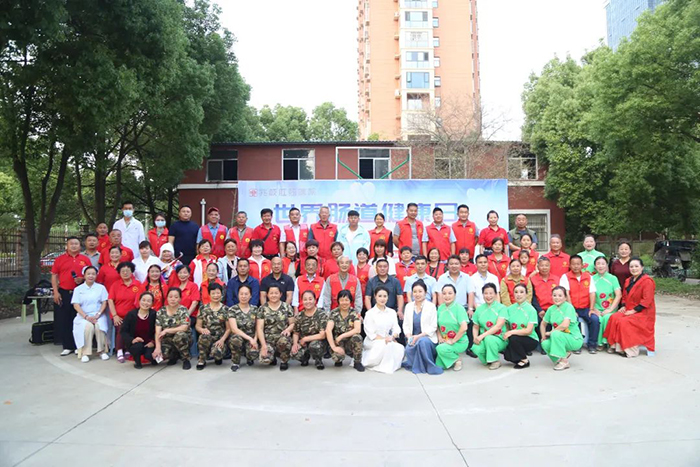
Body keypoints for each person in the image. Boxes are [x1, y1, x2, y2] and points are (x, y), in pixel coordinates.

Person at [604, 258, 656, 358]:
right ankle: (615, 346)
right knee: (614, 317)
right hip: (629, 308)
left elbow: (647, 300)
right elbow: (624, 296)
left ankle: (629, 350)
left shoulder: (647, 281)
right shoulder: (628, 280)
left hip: (643, 312)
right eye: (631, 266)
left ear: (642, 267)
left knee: (624, 322)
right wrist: (623, 306)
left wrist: (633, 311)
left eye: (636, 266)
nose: (634, 269)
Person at [51, 237, 91, 355]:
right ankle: (68, 346)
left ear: (80, 246)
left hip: (81, 293)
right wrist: (56, 292)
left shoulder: (85, 259)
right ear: (67, 246)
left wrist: (82, 279)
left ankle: (79, 345)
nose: (74, 246)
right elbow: (54, 275)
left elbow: (90, 274)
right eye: (71, 244)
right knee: (65, 319)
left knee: (80, 319)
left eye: (76, 243)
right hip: (65, 292)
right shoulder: (60, 259)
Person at [71, 266, 110, 362]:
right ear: (84, 275)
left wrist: (98, 314)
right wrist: (86, 316)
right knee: (88, 327)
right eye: (88, 274)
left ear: (96, 275)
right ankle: (85, 352)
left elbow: (104, 302)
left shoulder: (101, 288)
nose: (91, 276)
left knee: (99, 327)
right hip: (83, 316)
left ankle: (101, 351)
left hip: (98, 315)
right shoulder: (78, 289)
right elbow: (76, 305)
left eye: (93, 274)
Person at [402, 281, 442, 375]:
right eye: (415, 291)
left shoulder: (431, 306)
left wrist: (419, 336)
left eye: (420, 291)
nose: (417, 294)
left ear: (425, 292)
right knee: (408, 348)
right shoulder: (408, 306)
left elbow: (433, 326)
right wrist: (409, 337)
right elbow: (405, 325)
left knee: (422, 342)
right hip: (413, 338)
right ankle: (416, 364)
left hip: (428, 338)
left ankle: (427, 366)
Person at [362, 287, 405, 374]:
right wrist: (385, 339)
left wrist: (392, 337)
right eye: (380, 296)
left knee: (399, 348)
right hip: (373, 340)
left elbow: (396, 328)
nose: (382, 299)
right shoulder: (370, 313)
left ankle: (389, 365)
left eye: (385, 296)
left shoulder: (392, 312)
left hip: (388, 339)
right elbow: (370, 333)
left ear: (388, 297)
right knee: (385, 345)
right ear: (375, 297)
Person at [560, 255, 597, 354]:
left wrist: (591, 309)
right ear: (569, 265)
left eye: (578, 264)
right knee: (574, 321)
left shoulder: (588, 277)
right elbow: (566, 293)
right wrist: (572, 310)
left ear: (582, 265)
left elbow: (592, 293)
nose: (576, 266)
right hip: (571, 307)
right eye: (573, 264)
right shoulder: (565, 277)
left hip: (586, 307)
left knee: (594, 319)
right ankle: (577, 345)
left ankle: (592, 345)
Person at [540, 286, 583, 370]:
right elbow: (543, 324)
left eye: (560, 295)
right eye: (554, 295)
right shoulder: (550, 309)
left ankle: (564, 361)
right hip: (558, 337)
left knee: (555, 333)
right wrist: (543, 336)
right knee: (544, 343)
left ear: (565, 297)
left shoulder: (569, 307)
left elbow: (565, 325)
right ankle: (560, 359)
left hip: (573, 338)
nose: (557, 298)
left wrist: (551, 332)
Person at [108, 262, 142, 363]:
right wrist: (114, 315)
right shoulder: (115, 285)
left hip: (133, 315)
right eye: (123, 271)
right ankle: (119, 350)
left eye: (128, 271)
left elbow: (140, 301)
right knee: (121, 327)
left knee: (133, 326)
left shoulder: (138, 284)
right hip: (119, 315)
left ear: (132, 272)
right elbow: (110, 300)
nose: (125, 273)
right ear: (119, 273)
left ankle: (128, 349)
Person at [256, 284, 295, 371]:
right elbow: (260, 328)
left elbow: (293, 323)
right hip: (268, 339)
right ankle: (272, 357)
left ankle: (284, 361)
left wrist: (288, 329)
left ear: (280, 294)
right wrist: (263, 345)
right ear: (267, 294)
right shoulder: (262, 308)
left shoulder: (287, 307)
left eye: (276, 293)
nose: (274, 295)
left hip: (282, 338)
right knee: (264, 360)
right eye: (271, 293)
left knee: (284, 341)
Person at [153, 288, 192, 370]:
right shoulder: (161, 311)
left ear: (180, 299)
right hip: (167, 339)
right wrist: (158, 347)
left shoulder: (183, 310)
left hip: (183, 338)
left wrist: (167, 330)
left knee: (179, 335)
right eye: (170, 297)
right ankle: (174, 355)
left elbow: (184, 327)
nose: (173, 299)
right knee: (162, 355)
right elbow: (157, 331)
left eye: (176, 297)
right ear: (167, 298)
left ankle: (186, 359)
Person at [471, 284, 508, 370]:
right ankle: (488, 359)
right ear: (482, 295)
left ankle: (495, 360)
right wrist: (475, 337)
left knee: (489, 338)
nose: (488, 296)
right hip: (483, 338)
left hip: (500, 338)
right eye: (486, 293)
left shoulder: (502, 308)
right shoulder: (479, 309)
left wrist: (482, 336)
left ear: (495, 294)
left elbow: (498, 326)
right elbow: (475, 326)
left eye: (491, 293)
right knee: (476, 348)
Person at [326, 290, 364, 371]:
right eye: (342, 300)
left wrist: (342, 336)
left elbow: (357, 329)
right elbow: (328, 330)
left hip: (350, 341)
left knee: (357, 337)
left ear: (350, 301)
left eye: (346, 300)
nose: (344, 303)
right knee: (337, 357)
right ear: (338, 301)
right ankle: (339, 359)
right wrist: (333, 347)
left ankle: (357, 362)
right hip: (338, 342)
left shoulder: (354, 312)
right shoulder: (334, 313)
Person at [503, 284, 539, 369]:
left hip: (530, 338)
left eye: (521, 292)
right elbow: (506, 324)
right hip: (514, 338)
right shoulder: (509, 309)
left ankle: (524, 360)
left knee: (514, 338)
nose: (518, 294)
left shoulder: (531, 310)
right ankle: (517, 356)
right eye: (516, 292)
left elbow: (528, 331)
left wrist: (511, 332)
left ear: (526, 294)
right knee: (507, 356)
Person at [195, 283, 230, 370]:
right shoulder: (203, 308)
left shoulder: (226, 309)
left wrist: (222, 340)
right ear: (209, 294)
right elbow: (197, 326)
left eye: (218, 293)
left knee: (217, 354)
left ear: (221, 294)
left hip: (220, 339)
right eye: (213, 293)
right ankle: (202, 360)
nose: (216, 295)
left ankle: (217, 356)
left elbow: (229, 329)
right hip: (207, 337)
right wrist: (202, 330)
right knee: (203, 337)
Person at [435, 284, 470, 371]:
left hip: (459, 341)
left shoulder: (459, 308)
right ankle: (451, 356)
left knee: (440, 349)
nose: (447, 296)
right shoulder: (440, 308)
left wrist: (453, 340)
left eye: (450, 293)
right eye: (444, 293)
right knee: (438, 366)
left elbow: (464, 327)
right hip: (445, 341)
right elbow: (437, 326)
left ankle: (457, 359)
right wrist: (440, 337)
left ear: (455, 294)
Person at [227, 284, 260, 371]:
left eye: (246, 294)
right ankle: (236, 362)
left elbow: (258, 327)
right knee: (235, 340)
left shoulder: (255, 309)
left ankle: (249, 357)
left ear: (250, 295)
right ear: (238, 295)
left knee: (254, 354)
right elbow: (234, 329)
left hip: (252, 338)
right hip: (239, 337)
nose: (243, 296)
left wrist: (255, 339)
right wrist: (250, 339)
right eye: (241, 294)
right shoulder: (232, 309)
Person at [291, 290, 327, 370]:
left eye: (310, 299)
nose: (308, 302)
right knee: (294, 352)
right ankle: (305, 358)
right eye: (305, 299)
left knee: (314, 346)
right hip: (304, 343)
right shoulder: (299, 316)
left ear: (315, 300)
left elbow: (322, 335)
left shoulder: (321, 314)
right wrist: (295, 344)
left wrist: (305, 339)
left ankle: (318, 360)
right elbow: (296, 332)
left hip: (318, 342)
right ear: (302, 301)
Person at [121, 292, 157, 368]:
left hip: (149, 343)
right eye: (143, 300)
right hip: (135, 342)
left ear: (152, 303)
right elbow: (123, 331)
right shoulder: (131, 314)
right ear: (139, 301)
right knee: (137, 347)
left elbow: (158, 331)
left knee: (149, 355)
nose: (145, 303)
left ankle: (153, 359)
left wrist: (153, 342)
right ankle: (138, 363)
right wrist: (132, 340)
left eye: (148, 301)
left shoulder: (154, 314)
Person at [171, 265, 200, 357]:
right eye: (180, 273)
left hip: (190, 315)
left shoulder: (193, 286)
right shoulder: (175, 287)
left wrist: (185, 315)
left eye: (185, 272)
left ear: (189, 274)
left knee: (187, 325)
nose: (182, 275)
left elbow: (195, 302)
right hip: (177, 315)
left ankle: (192, 352)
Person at [592, 256, 622, 349]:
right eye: (598, 264)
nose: (600, 266)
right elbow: (588, 295)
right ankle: (600, 343)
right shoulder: (591, 279)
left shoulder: (613, 278)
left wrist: (610, 309)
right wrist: (593, 308)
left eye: (603, 264)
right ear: (595, 266)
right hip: (596, 308)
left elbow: (618, 295)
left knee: (607, 317)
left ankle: (609, 343)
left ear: (607, 265)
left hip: (610, 308)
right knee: (598, 319)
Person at [530, 257, 560, 344]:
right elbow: (533, 297)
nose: (544, 268)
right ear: (538, 267)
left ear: (550, 266)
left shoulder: (556, 279)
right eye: (542, 265)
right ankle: (542, 342)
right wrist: (539, 310)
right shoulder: (533, 279)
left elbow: (561, 295)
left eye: (546, 265)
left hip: (554, 308)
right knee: (539, 322)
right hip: (539, 309)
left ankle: (555, 342)